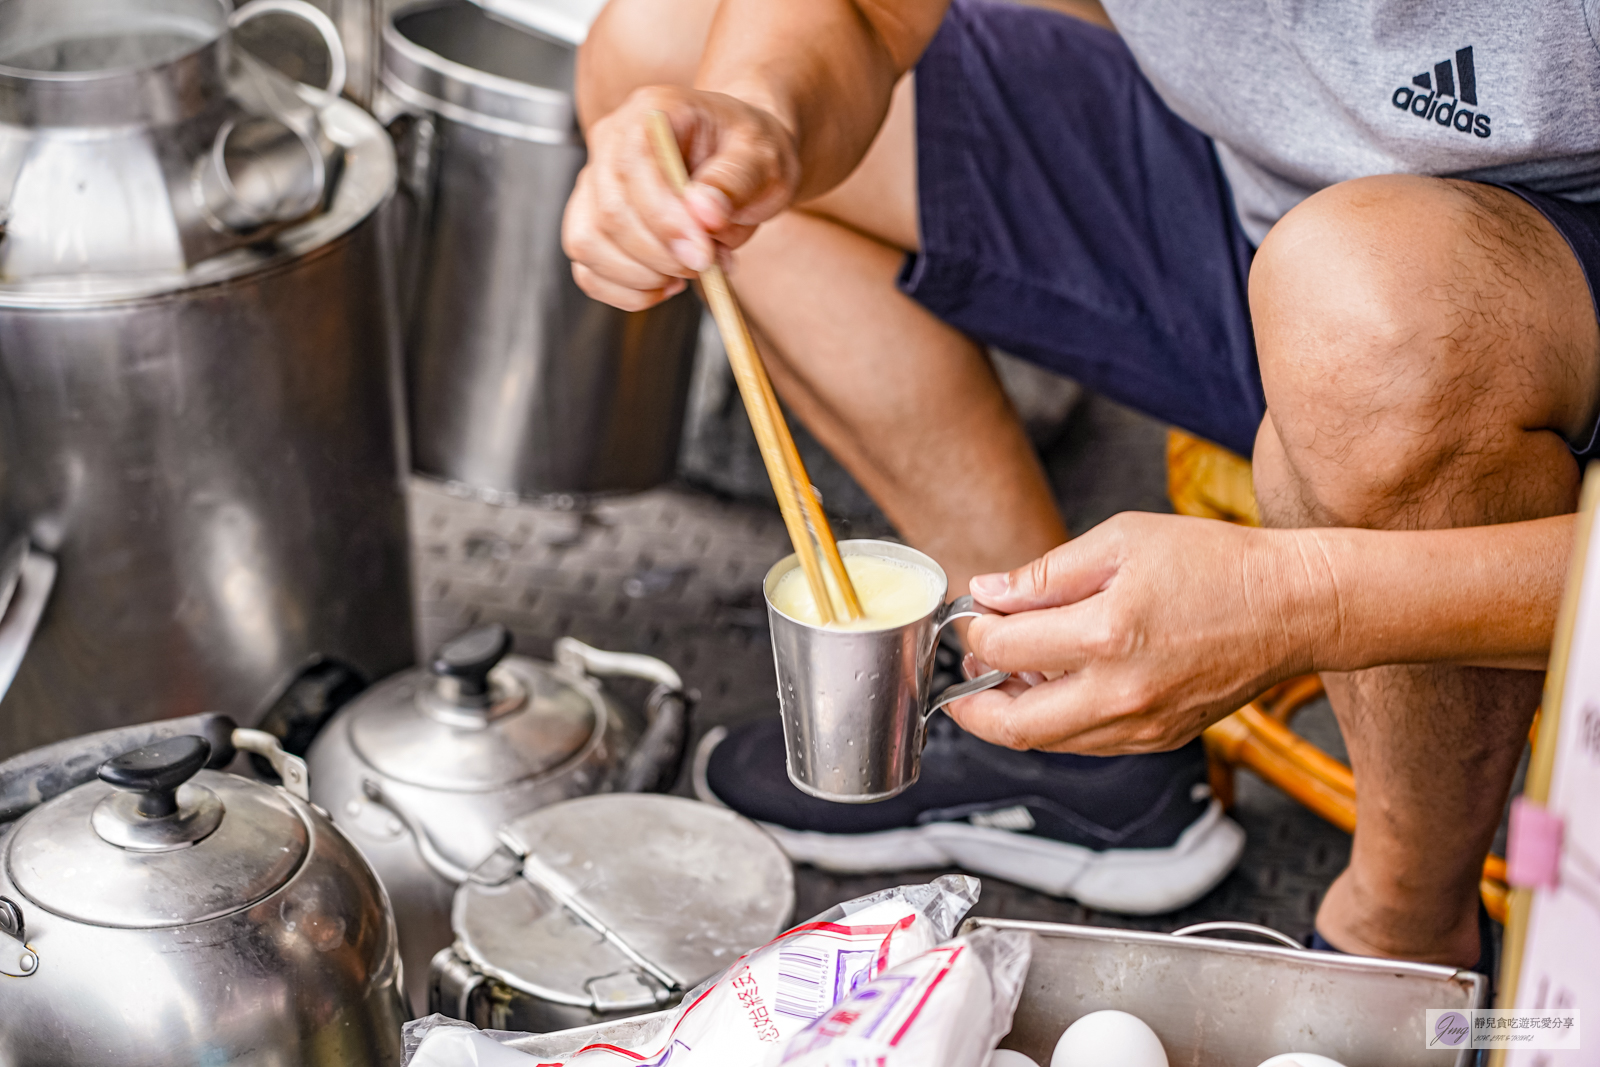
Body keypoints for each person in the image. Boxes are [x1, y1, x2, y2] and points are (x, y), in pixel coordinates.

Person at [562, 0, 1600, 969]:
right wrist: (759, 115)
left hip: (1505, 291)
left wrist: (1302, 600)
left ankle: (1408, 929)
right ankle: (1061, 726)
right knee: (666, 54)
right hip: (1243, 191)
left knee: (1375, 320)